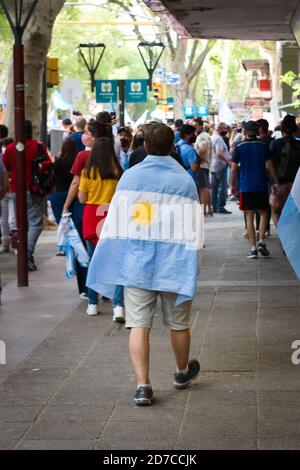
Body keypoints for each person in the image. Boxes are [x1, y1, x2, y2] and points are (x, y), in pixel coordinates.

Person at [87, 123, 201, 406]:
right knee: (178, 323)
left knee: (138, 324)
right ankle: (181, 372)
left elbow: (117, 221)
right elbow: (193, 227)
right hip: (174, 262)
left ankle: (143, 386)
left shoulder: (130, 177)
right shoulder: (185, 181)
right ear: (172, 147)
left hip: (137, 262)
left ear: (145, 146)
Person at [62, 120, 113, 299]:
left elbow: (76, 184)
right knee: (107, 250)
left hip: (88, 209)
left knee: (87, 251)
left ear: (92, 136)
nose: (83, 135)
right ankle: (109, 291)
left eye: (85, 132)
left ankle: (88, 291)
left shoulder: (83, 157)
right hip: (109, 210)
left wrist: (66, 205)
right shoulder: (113, 157)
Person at [78, 137, 123, 317]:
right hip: (111, 214)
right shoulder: (117, 171)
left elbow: (81, 198)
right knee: (117, 262)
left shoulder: (87, 172)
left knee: (93, 261)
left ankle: (92, 303)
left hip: (91, 216)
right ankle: (118, 306)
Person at [3, 120, 51, 270]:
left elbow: (6, 168)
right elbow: (48, 165)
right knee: (35, 223)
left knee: (19, 223)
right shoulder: (39, 146)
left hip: (16, 190)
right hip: (35, 189)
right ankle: (27, 252)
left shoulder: (10, 148)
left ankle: (23, 252)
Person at [230, 121, 279, 259]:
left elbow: (233, 168)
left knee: (249, 216)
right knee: (264, 214)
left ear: (245, 132)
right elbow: (270, 165)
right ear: (257, 131)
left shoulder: (238, 147)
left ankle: (253, 249)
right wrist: (276, 182)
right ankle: (262, 241)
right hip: (261, 186)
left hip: (246, 186)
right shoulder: (263, 146)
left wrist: (232, 185)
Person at [269, 114, 300, 226]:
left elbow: (270, 165)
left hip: (279, 185)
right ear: (295, 129)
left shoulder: (275, 144)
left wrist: (276, 182)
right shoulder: (298, 144)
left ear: (282, 128)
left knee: (276, 211)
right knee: (294, 213)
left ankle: (283, 236)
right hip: (296, 185)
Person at [48, 139, 77, 225]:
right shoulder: (76, 162)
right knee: (74, 222)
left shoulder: (58, 162)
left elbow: (52, 178)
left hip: (59, 193)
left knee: (61, 222)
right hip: (74, 194)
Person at [210, 122, 232, 214]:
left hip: (213, 165)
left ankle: (214, 207)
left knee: (214, 188)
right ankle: (220, 207)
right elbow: (219, 153)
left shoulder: (212, 137)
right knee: (222, 187)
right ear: (219, 128)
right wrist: (228, 162)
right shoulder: (218, 139)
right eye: (224, 129)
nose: (226, 131)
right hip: (220, 165)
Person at [194, 120, 213, 215]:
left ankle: (203, 210)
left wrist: (196, 158)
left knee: (203, 188)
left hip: (201, 165)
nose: (194, 127)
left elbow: (203, 148)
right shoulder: (205, 135)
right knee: (205, 188)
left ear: (200, 126)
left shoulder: (202, 136)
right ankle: (208, 209)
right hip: (205, 164)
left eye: (196, 125)